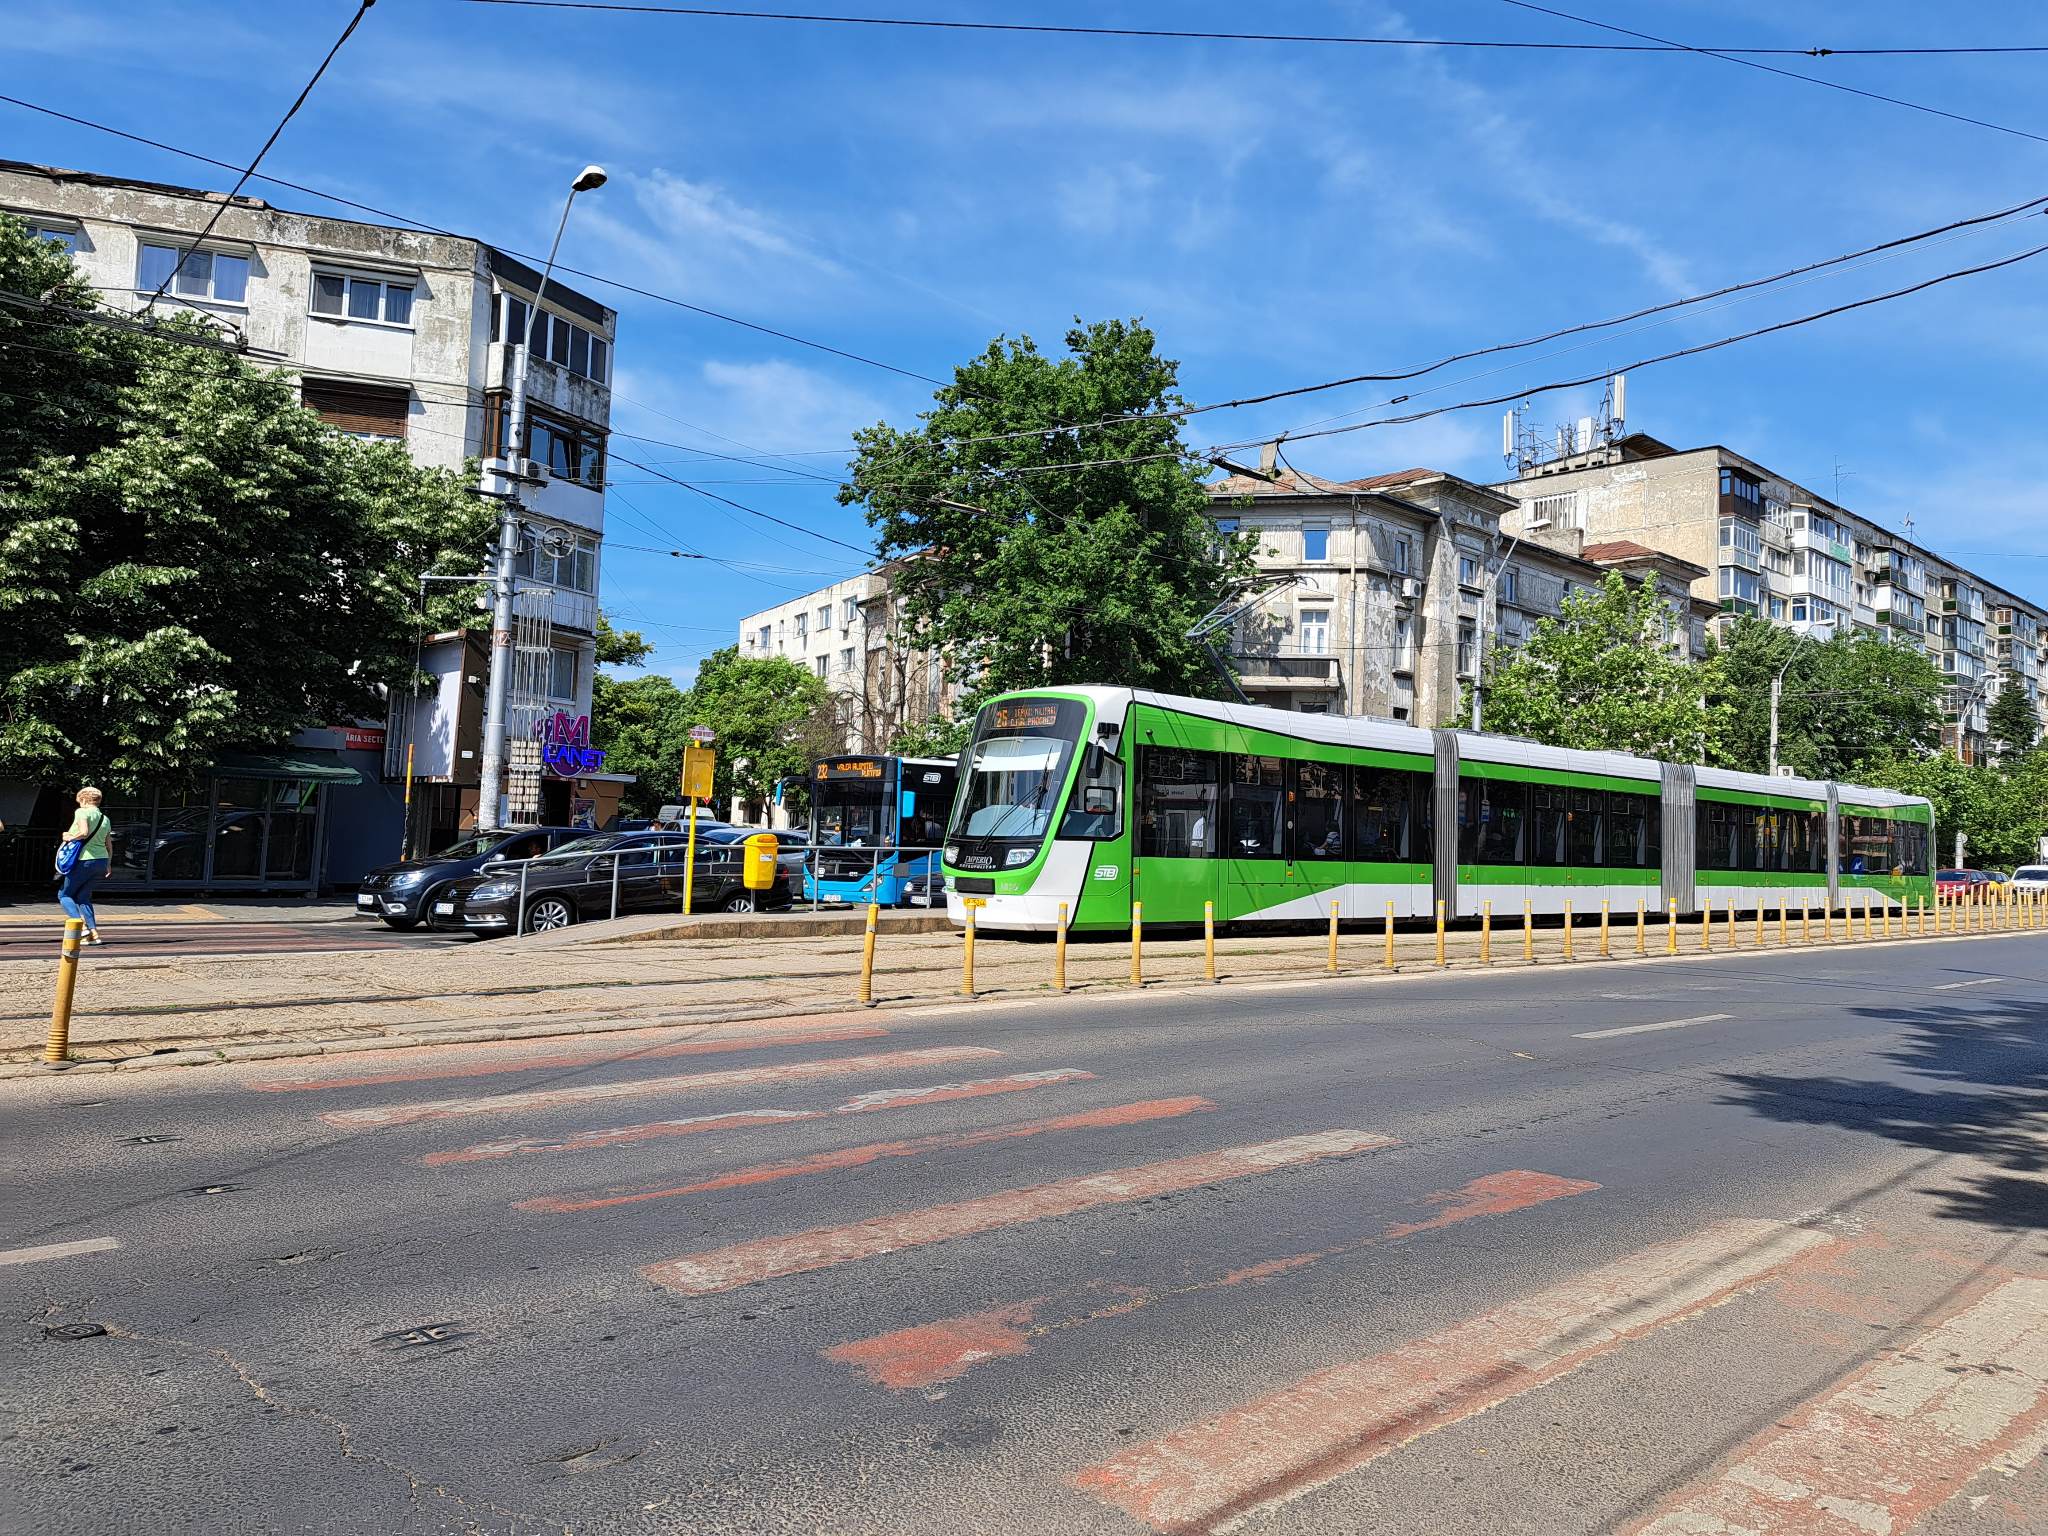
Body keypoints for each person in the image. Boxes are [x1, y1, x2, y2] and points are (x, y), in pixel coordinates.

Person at [57, 786, 111, 945]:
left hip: (83, 860)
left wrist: (69, 837)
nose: (79, 804)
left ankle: (80, 927)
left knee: (64, 895)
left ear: (84, 799)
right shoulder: (105, 818)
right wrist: (108, 864)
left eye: (79, 801)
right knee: (83, 897)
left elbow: (84, 832)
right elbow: (109, 844)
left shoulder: (82, 812)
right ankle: (94, 934)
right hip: (101, 861)